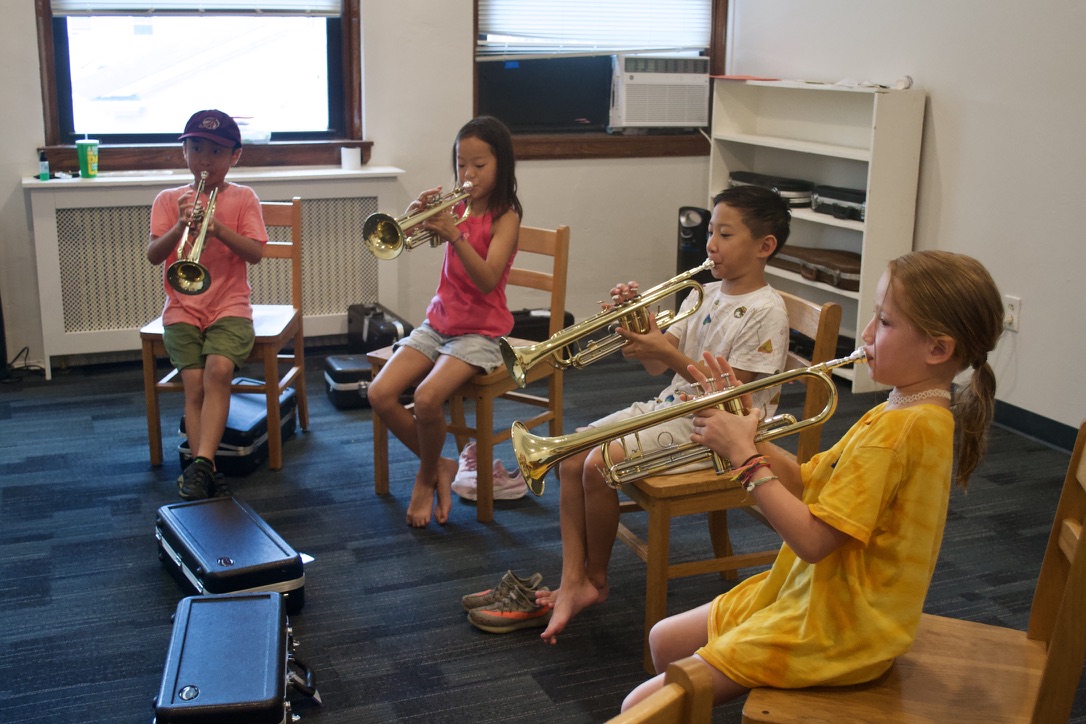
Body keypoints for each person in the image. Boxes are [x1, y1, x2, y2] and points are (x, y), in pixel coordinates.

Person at [620, 250, 1005, 712]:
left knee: (636, 707)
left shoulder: (903, 429)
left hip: (841, 626)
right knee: (664, 640)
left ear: (937, 349)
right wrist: (748, 429)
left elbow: (813, 541)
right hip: (815, 590)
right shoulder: (902, 408)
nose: (865, 335)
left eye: (884, 322)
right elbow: (808, 483)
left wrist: (745, 459)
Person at [528, 185, 792, 642]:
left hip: (719, 432)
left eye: (725, 234)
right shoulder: (700, 295)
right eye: (711, 231)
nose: (711, 243)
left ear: (764, 246)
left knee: (598, 463)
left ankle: (595, 579)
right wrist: (640, 328)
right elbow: (657, 365)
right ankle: (572, 579)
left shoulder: (768, 311)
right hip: (673, 408)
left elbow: (739, 401)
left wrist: (664, 354)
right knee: (569, 457)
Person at [367, 116, 523, 528]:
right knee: (380, 393)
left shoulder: (506, 217)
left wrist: (456, 235)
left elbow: (488, 279)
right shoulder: (457, 205)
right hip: (439, 323)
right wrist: (415, 215)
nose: (467, 175)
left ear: (502, 165)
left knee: (426, 399)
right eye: (460, 164)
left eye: (479, 165)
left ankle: (425, 475)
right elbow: (410, 241)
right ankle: (441, 463)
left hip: (481, 330)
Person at [147, 109, 267, 500]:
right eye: (196, 148)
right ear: (183, 152)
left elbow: (255, 254)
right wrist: (182, 226)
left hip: (230, 305)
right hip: (182, 307)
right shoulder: (167, 201)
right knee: (194, 381)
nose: (204, 160)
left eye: (216, 152)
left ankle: (199, 466)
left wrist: (218, 229)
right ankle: (206, 465)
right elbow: (153, 255)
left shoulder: (244, 198)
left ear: (234, 156)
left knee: (218, 371)